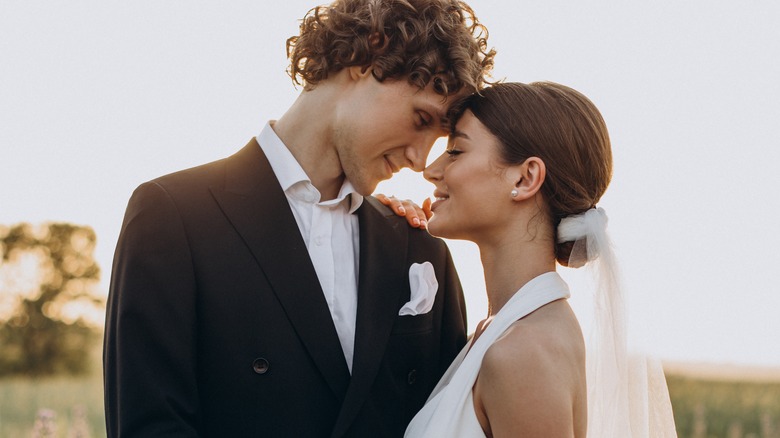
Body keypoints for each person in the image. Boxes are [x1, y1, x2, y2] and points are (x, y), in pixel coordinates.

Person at [102, 0, 495, 436]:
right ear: (368, 54)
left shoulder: (420, 247)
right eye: (421, 119)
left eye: (440, 138)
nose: (421, 160)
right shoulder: (173, 215)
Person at [403, 82, 676, 437]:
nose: (431, 170)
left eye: (456, 150)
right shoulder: (502, 331)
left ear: (526, 177)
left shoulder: (522, 352)